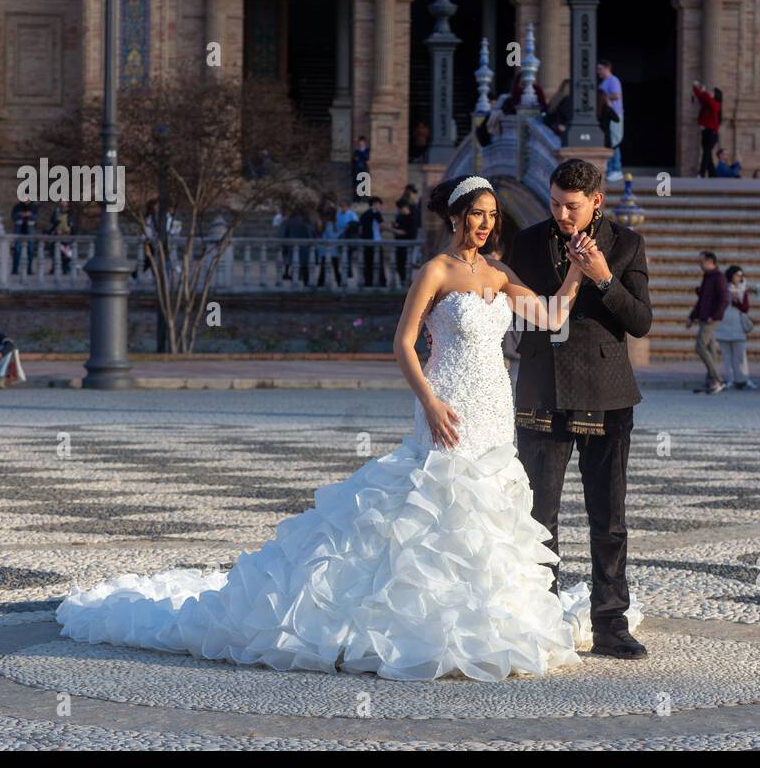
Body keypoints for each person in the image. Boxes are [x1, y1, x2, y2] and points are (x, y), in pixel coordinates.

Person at [57, 168, 644, 680]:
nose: (487, 224)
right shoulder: (436, 272)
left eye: (492, 216)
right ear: (457, 216)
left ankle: (487, 624)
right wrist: (431, 403)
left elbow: (550, 317)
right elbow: (404, 344)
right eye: (478, 215)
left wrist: (579, 273)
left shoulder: (497, 273)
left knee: (488, 517)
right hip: (449, 404)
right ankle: (404, 624)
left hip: (495, 410)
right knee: (433, 507)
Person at [506, 157, 652, 658]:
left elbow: (641, 323)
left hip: (605, 392)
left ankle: (610, 622)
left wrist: (605, 278)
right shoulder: (525, 242)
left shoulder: (627, 244)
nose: (562, 214)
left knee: (608, 517)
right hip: (542, 391)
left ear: (597, 202)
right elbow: (517, 310)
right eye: (554, 203)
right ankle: (539, 619)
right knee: (538, 516)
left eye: (572, 206)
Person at [685, 250, 730, 394]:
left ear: (710, 262)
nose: (699, 264)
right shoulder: (708, 277)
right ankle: (711, 383)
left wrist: (715, 315)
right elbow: (702, 301)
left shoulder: (718, 278)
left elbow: (725, 300)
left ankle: (717, 379)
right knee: (711, 350)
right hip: (704, 317)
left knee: (700, 346)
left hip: (711, 319)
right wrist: (692, 317)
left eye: (701, 261)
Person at [715, 264, 756, 390]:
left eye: (741, 275)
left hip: (738, 326)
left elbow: (746, 308)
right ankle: (729, 379)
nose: (739, 278)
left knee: (740, 356)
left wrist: (737, 300)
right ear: (730, 275)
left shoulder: (743, 290)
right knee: (726, 356)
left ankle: (743, 379)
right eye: (737, 275)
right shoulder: (722, 288)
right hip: (723, 325)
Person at [597, 60, 624, 181]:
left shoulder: (613, 80)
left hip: (614, 115)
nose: (598, 72)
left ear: (607, 68)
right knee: (608, 141)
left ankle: (616, 169)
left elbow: (617, 95)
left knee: (614, 141)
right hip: (605, 117)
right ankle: (610, 168)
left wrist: (604, 98)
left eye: (600, 69)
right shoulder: (604, 81)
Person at [692, 81, 723, 178]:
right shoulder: (707, 101)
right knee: (707, 154)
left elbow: (711, 103)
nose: (710, 93)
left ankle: (701, 174)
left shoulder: (717, 104)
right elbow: (700, 97)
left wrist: (705, 92)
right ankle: (713, 174)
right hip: (705, 131)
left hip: (712, 133)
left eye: (712, 92)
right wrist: (696, 87)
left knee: (706, 153)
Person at [359, 196, 386, 288]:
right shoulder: (376, 213)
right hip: (376, 241)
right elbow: (382, 227)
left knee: (368, 263)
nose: (380, 207)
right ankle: (382, 282)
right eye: (379, 205)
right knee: (379, 263)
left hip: (366, 241)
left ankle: (368, 282)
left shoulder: (364, 214)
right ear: (375, 204)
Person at [11, 198, 39, 276]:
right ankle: (15, 268)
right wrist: (21, 214)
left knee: (30, 251)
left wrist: (30, 215)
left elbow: (36, 218)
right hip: (19, 231)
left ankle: (29, 268)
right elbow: (13, 217)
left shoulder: (33, 207)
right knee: (17, 251)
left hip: (30, 231)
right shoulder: (17, 206)